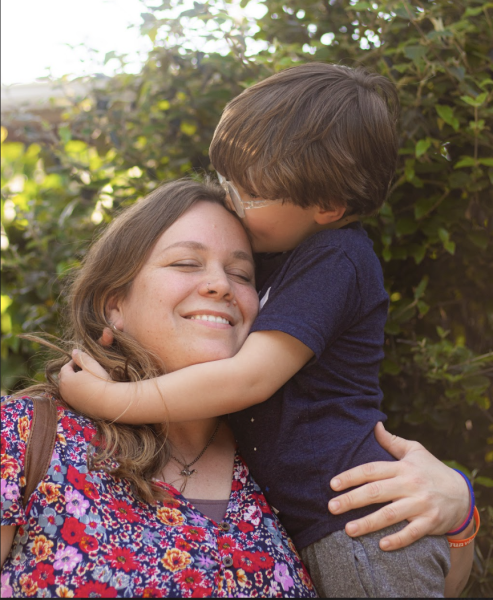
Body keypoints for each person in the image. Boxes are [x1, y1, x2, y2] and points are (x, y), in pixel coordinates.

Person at [59, 65, 477, 597]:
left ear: (326, 207)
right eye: (227, 181)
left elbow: (247, 379)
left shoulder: (337, 258)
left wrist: (108, 397)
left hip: (363, 525)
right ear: (111, 302)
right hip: (333, 527)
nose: (231, 200)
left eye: (247, 194)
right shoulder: (288, 256)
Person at [1, 181, 319, 598]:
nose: (221, 285)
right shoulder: (21, 435)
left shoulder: (290, 454)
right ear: (114, 306)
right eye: (187, 263)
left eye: (241, 274)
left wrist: (436, 497)